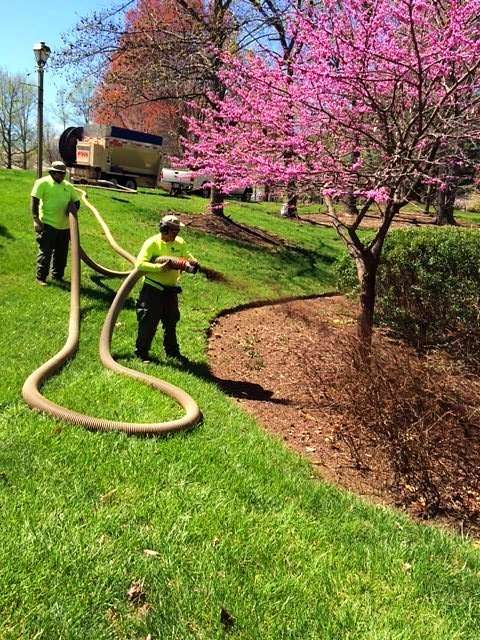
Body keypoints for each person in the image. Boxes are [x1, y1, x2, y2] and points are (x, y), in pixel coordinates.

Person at [134, 214, 198, 363]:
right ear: (164, 229)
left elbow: (186, 256)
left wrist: (192, 261)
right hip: (152, 290)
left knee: (171, 322)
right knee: (148, 322)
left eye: (178, 231)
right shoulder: (152, 243)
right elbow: (140, 265)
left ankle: (172, 352)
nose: (177, 234)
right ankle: (141, 353)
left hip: (170, 291)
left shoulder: (180, 242)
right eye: (174, 231)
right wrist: (158, 267)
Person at [31, 161, 80, 285]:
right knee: (45, 252)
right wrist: (36, 220)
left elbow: (77, 201)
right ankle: (41, 277)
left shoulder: (68, 186)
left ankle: (57, 276)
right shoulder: (42, 183)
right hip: (48, 224)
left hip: (64, 226)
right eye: (59, 173)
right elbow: (34, 202)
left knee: (61, 253)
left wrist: (72, 209)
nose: (62, 176)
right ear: (52, 172)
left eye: (63, 174)